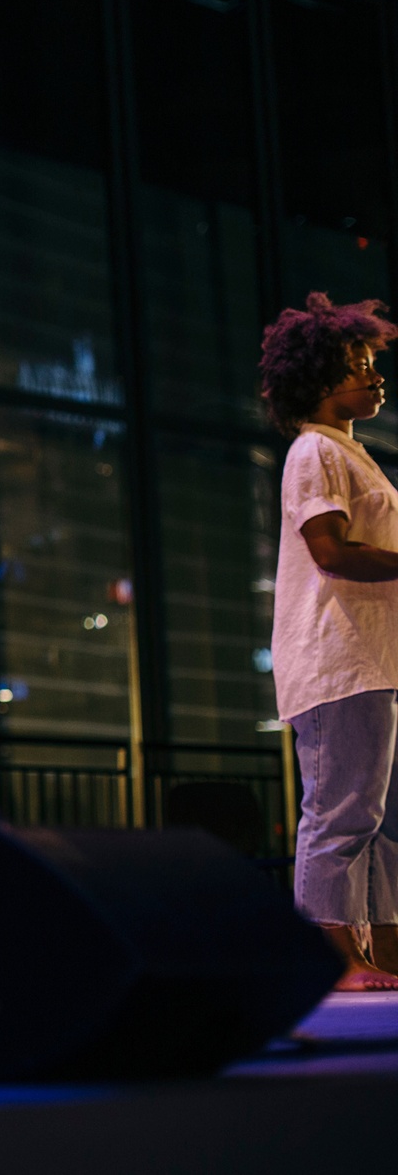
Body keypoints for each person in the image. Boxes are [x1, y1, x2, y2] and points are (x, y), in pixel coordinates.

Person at [260, 292, 398, 991]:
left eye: (374, 364)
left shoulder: (355, 451)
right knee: (340, 813)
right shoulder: (313, 449)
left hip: (379, 659)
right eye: (358, 365)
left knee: (386, 823)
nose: (375, 376)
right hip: (338, 660)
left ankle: (381, 953)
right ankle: (330, 960)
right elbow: (331, 550)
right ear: (316, 379)